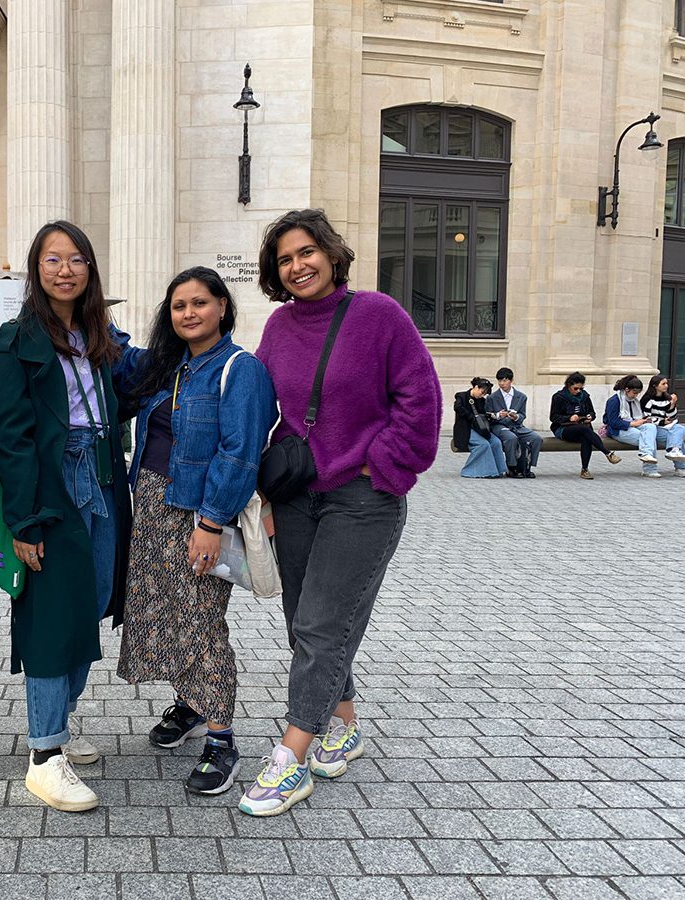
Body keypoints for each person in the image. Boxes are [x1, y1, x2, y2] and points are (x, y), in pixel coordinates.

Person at [240, 209, 441, 816]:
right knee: (305, 619)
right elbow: (258, 405)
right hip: (300, 497)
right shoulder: (277, 327)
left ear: (330, 254)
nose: (297, 265)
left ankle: (290, 758)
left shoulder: (378, 315)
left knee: (324, 623)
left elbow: (420, 396)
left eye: (306, 253)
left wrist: (381, 467)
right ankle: (343, 723)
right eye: (284, 259)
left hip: (363, 498)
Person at [111, 266, 276, 796]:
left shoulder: (239, 369)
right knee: (165, 610)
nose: (188, 313)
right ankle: (190, 703)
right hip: (153, 508)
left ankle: (222, 740)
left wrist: (209, 522)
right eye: (179, 305)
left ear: (222, 307)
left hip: (200, 512)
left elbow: (239, 452)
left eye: (199, 303)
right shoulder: (168, 367)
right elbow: (115, 359)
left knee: (202, 620)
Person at [0, 221, 132, 813]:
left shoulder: (102, 335)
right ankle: (45, 755)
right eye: (52, 260)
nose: (65, 270)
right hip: (53, 486)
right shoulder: (17, 337)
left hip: (103, 476)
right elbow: (10, 435)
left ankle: (60, 728)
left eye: (76, 259)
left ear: (90, 269)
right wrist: (23, 521)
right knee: (51, 617)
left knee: (93, 603)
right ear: (36, 269)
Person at [549, 372, 620, 480]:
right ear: (569, 386)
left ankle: (584, 469)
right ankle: (607, 453)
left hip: (582, 427)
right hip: (563, 428)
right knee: (584, 429)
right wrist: (569, 418)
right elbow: (553, 417)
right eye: (576, 388)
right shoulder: (559, 397)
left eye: (581, 389)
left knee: (586, 437)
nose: (578, 391)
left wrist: (590, 417)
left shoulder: (585, 396)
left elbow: (592, 412)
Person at [486, 367, 542, 478]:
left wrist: (515, 417)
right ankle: (511, 468)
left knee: (536, 438)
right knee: (511, 438)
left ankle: (527, 467)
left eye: (504, 380)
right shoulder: (492, 397)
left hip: (517, 426)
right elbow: (488, 415)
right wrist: (497, 416)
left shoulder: (521, 397)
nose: (502, 383)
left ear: (511, 381)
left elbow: (522, 415)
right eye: (499, 381)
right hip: (499, 426)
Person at [604, 375, 665, 477]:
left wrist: (643, 421)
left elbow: (635, 418)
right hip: (617, 430)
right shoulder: (614, 401)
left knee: (650, 428)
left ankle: (646, 454)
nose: (636, 396)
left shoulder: (634, 401)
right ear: (627, 390)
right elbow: (612, 422)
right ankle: (649, 468)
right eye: (634, 393)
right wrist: (633, 423)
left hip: (633, 426)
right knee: (647, 437)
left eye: (638, 393)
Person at [453, 377, 506, 478]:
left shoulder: (481, 401)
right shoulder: (461, 396)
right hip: (466, 429)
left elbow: (484, 414)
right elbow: (458, 408)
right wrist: (472, 417)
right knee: (483, 444)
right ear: (476, 387)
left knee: (496, 442)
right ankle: (473, 471)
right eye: (482, 392)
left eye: (484, 393)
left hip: (480, 429)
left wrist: (496, 415)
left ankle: (498, 470)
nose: (482, 395)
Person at [641, 374, 685, 477]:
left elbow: (671, 415)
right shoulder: (647, 399)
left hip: (664, 427)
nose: (666, 386)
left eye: (666, 383)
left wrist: (672, 404)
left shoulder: (666, 398)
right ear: (655, 386)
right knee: (678, 438)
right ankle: (651, 469)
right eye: (663, 384)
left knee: (679, 429)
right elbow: (646, 418)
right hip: (652, 428)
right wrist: (662, 422)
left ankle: (676, 456)